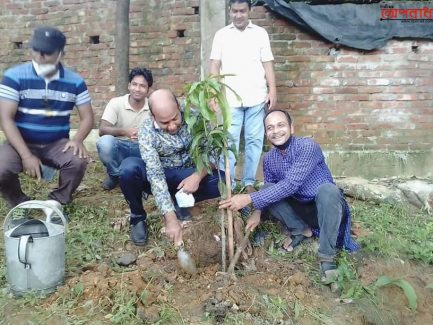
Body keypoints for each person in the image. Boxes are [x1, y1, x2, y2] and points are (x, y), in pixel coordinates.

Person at [219, 109, 359, 283]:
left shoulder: (308, 146)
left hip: (324, 207)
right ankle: (300, 229)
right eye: (270, 128)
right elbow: (270, 189)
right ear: (266, 133)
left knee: (328, 191)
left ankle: (327, 260)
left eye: (281, 125)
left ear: (292, 128)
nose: (276, 131)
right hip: (299, 209)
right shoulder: (269, 159)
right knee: (268, 187)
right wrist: (257, 212)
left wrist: (248, 199)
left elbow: (290, 185)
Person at [0, 26, 94, 209]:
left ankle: (57, 201)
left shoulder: (75, 81)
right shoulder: (14, 77)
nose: (40, 56)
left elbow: (88, 117)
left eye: (47, 52)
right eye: (37, 50)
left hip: (56, 143)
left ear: (61, 54)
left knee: (78, 160)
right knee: (1, 168)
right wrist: (26, 155)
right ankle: (19, 202)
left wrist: (78, 139)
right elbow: (5, 119)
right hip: (21, 142)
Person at [119, 89, 224, 246]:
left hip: (188, 176)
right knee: (128, 169)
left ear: (179, 106)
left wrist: (197, 176)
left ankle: (180, 202)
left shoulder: (196, 119)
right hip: (162, 176)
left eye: (175, 119)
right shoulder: (146, 130)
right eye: (164, 123)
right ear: (152, 116)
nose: (172, 126)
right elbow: (155, 174)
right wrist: (171, 219)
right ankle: (138, 218)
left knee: (221, 179)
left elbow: (211, 156)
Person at [210, 0, 277, 193]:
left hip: (257, 96)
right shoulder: (221, 35)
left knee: (255, 141)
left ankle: (248, 182)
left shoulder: (260, 34)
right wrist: (213, 93)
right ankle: (228, 183)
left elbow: (267, 64)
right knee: (229, 141)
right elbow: (215, 66)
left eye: (242, 11)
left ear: (249, 11)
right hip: (230, 99)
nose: (238, 15)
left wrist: (272, 90)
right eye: (235, 11)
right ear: (229, 11)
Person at [96, 67, 153, 190]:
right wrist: (124, 131)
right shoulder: (116, 103)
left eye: (142, 86)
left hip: (142, 149)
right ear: (129, 85)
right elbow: (102, 130)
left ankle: (142, 176)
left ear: (148, 89)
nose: (137, 89)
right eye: (134, 84)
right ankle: (115, 176)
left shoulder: (153, 106)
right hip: (120, 147)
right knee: (105, 142)